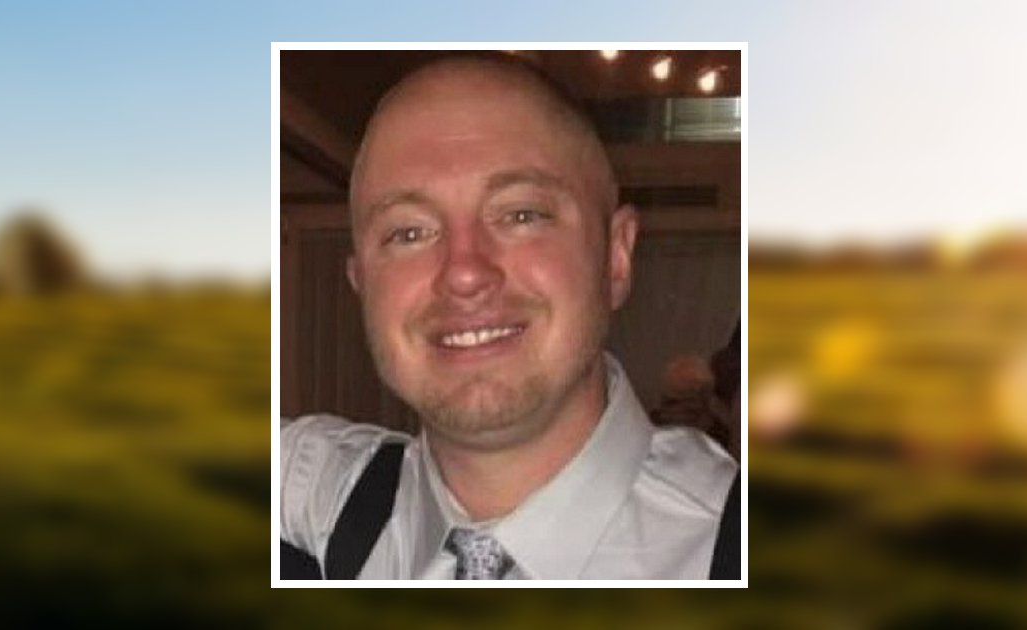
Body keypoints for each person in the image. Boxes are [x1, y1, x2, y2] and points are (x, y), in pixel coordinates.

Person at [280, 54, 739, 580]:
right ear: (360, 283)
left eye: (521, 214)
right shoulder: (322, 496)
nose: (464, 273)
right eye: (409, 232)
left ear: (615, 257)